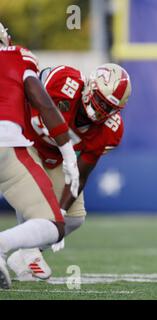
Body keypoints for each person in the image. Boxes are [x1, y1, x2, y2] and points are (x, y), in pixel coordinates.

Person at [6, 63, 131, 281]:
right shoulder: (64, 81)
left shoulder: (110, 129)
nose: (102, 110)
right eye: (100, 100)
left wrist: (59, 216)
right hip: (24, 142)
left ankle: (28, 251)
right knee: (37, 191)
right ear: (90, 87)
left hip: (58, 157)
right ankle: (19, 248)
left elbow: (81, 174)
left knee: (74, 218)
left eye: (109, 107)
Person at [0, 23, 79, 289]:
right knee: (53, 223)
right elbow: (43, 101)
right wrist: (69, 154)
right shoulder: (16, 56)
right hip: (6, 145)